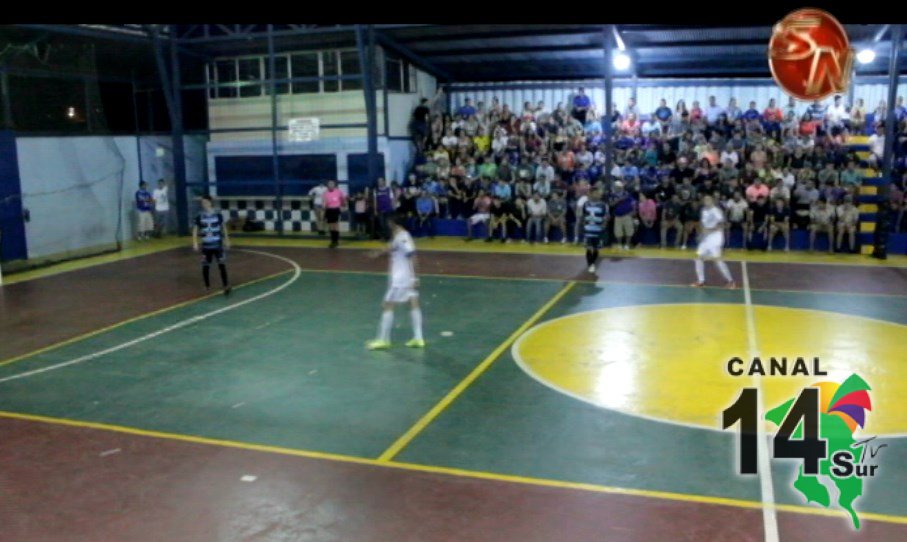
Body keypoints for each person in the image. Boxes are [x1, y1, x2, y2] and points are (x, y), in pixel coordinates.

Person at [366, 213, 425, 350]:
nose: (387, 225)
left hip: (401, 279)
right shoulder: (399, 236)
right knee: (413, 303)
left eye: (388, 223)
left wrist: (415, 278)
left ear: (393, 223)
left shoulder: (402, 237)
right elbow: (391, 247)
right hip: (406, 278)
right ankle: (418, 338)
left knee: (387, 305)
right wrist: (377, 253)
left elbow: (412, 256)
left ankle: (383, 339)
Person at [691, 195, 736, 288]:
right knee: (698, 257)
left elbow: (722, 224)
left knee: (717, 260)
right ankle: (701, 281)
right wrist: (702, 234)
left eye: (708, 199)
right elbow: (703, 224)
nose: (706, 201)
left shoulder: (716, 211)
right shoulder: (703, 210)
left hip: (716, 237)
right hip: (706, 238)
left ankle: (731, 281)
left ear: (712, 201)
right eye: (705, 199)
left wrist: (710, 231)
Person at [192, 195, 231, 296]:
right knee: (205, 266)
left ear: (210, 202)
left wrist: (227, 240)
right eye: (202, 202)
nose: (203, 204)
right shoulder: (199, 215)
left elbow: (223, 227)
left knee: (221, 264)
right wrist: (195, 242)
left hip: (217, 244)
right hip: (206, 245)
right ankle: (207, 285)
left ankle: (226, 285)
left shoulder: (218, 214)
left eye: (205, 202)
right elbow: (195, 229)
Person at [582, 189, 607, 273]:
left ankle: (592, 263)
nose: (599, 195)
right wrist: (584, 225)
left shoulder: (603, 205)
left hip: (598, 230)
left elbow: (606, 216)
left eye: (599, 193)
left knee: (596, 249)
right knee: (588, 248)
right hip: (588, 229)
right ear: (591, 194)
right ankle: (591, 264)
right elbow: (583, 215)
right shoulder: (586, 204)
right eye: (596, 193)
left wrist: (603, 225)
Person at [323, 180, 346, 248]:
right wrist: (324, 211)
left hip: (336, 209)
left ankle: (336, 241)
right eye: (329, 184)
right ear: (327, 185)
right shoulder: (325, 193)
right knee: (331, 226)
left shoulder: (338, 191)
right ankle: (332, 240)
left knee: (335, 225)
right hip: (329, 210)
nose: (330, 185)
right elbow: (325, 203)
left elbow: (343, 199)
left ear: (334, 185)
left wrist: (343, 206)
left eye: (332, 184)